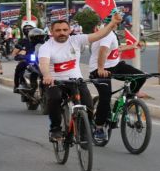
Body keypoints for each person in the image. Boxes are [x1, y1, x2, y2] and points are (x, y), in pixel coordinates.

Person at [38, 13, 122, 141]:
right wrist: (47, 75)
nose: (62, 33)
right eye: (58, 30)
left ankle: (84, 131)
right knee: (54, 99)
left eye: (65, 30)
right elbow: (43, 63)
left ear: (70, 30)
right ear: (51, 32)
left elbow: (98, 35)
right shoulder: (46, 47)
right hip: (56, 81)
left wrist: (112, 24)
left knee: (88, 104)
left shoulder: (76, 40)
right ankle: (55, 129)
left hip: (76, 81)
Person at [88, 17, 144, 141]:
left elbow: (115, 49)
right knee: (105, 96)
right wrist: (100, 69)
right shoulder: (107, 34)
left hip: (114, 66)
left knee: (140, 76)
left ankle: (129, 98)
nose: (118, 24)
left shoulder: (111, 33)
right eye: (116, 22)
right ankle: (99, 127)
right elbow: (103, 51)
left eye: (118, 22)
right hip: (98, 70)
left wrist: (131, 46)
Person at [10, 21, 40, 92]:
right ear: (23, 30)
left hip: (40, 59)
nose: (28, 30)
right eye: (26, 29)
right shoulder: (22, 41)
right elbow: (14, 52)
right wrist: (19, 56)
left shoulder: (40, 39)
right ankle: (17, 85)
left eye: (30, 28)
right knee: (19, 67)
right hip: (27, 60)